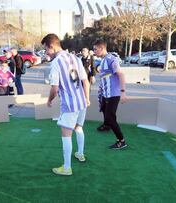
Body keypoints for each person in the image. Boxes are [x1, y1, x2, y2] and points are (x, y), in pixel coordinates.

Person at [42, 33, 90, 175]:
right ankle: (80, 154)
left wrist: (49, 100)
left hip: (70, 104)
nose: (46, 53)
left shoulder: (56, 63)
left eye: (46, 49)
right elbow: (85, 81)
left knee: (66, 134)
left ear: (52, 46)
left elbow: (55, 88)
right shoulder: (75, 58)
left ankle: (67, 167)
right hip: (81, 102)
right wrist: (87, 99)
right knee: (79, 128)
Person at [94, 39, 128, 149]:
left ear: (102, 48)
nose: (94, 51)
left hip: (113, 94)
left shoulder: (111, 59)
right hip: (106, 94)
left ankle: (121, 141)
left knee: (110, 117)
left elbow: (121, 75)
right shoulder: (103, 60)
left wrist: (123, 92)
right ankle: (106, 126)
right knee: (104, 110)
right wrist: (101, 88)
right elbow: (105, 77)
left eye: (95, 49)